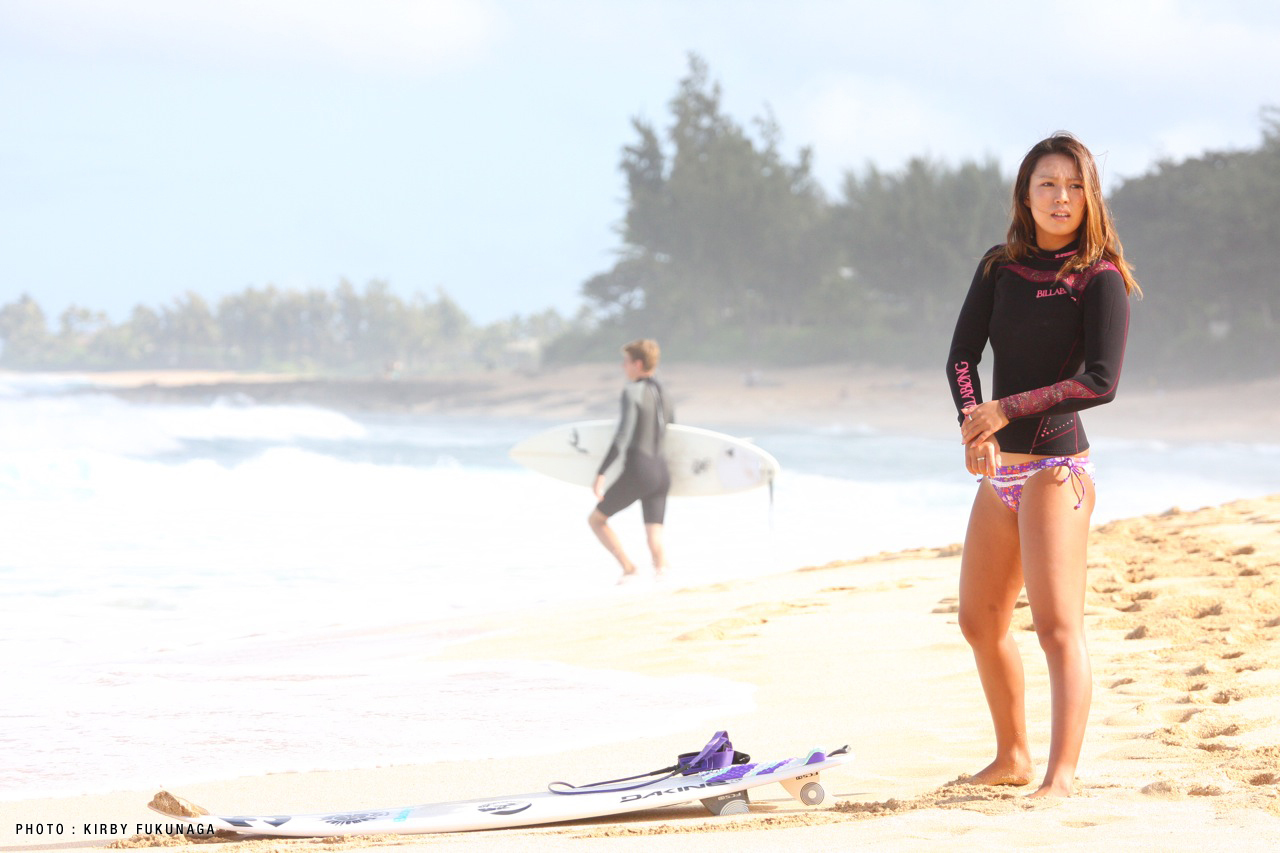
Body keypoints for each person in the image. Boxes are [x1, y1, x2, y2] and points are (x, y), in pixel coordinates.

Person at [944, 132, 1141, 798]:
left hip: (1057, 470)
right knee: (979, 620)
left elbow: (1102, 381)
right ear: (1025, 196)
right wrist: (976, 426)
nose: (1062, 198)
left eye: (1074, 186)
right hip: (1001, 473)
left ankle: (1060, 774)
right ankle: (1013, 755)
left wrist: (1008, 408)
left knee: (1057, 627)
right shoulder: (1000, 268)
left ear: (1091, 196)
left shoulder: (1100, 275)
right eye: (1047, 185)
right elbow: (962, 358)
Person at [588, 339, 675, 582]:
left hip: (640, 470)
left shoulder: (632, 391)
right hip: (662, 473)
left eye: (625, 362)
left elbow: (623, 435)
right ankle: (664, 580)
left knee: (596, 520)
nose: (622, 367)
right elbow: (674, 431)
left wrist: (601, 472)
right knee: (654, 537)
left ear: (637, 364)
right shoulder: (665, 394)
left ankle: (628, 567)